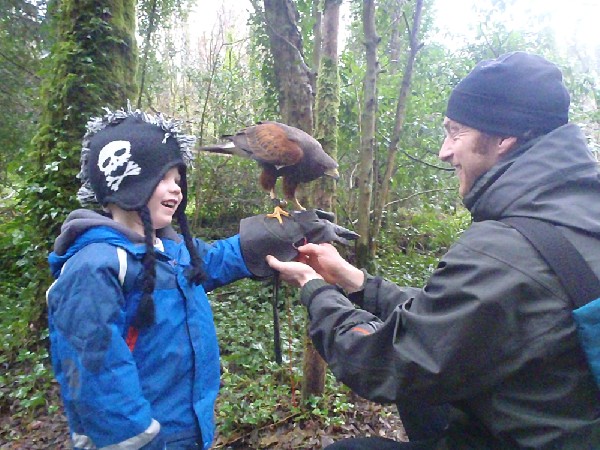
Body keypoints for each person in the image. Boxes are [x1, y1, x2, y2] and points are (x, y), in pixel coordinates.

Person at [266, 51, 600, 449]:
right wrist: (356, 282)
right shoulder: (575, 212)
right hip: (562, 416)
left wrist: (314, 289)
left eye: (456, 133)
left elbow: (381, 364)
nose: (444, 151)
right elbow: (456, 320)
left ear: (504, 138)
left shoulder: (505, 249)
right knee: (422, 398)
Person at [46, 107, 356, 449]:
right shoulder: (94, 267)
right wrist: (138, 439)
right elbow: (95, 377)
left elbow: (213, 261)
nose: (176, 190)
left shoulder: (172, 249)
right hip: (143, 439)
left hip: (189, 430)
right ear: (127, 184)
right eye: (163, 179)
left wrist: (281, 233)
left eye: (178, 181)